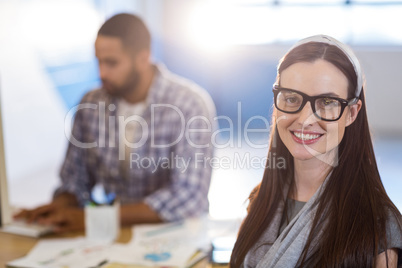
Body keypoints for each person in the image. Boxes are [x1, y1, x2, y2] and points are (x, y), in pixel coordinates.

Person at [15, 13, 216, 232]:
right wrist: (60, 207)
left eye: (111, 63)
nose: (102, 72)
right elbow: (74, 180)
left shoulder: (189, 105)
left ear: (143, 58)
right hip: (116, 235)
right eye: (99, 61)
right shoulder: (90, 104)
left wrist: (93, 218)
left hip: (178, 237)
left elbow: (188, 198)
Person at [230, 35, 402, 267]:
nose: (305, 120)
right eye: (291, 98)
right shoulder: (260, 201)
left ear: (352, 113)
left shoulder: (379, 228)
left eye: (327, 102)